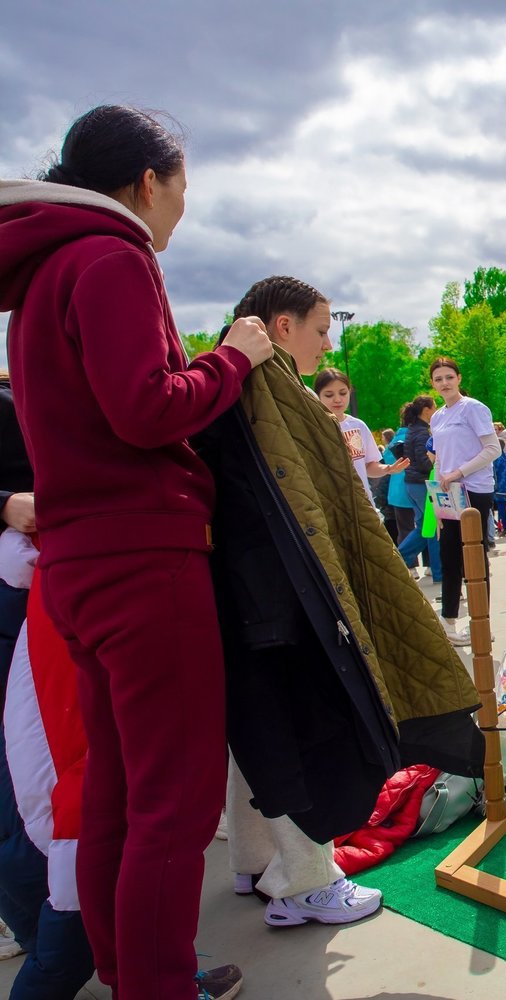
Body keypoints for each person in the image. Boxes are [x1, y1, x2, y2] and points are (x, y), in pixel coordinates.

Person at [0, 105, 272, 1000]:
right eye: (183, 185)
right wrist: (231, 360)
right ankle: (160, 984)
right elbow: (146, 408)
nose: (182, 206)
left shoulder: (43, 275)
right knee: (174, 801)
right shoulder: (113, 257)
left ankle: (131, 972)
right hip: (143, 562)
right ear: (148, 183)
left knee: (118, 796)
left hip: (81, 566)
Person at [221, 278, 385, 931]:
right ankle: (306, 880)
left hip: (246, 593)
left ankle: (254, 857)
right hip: (279, 597)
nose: (329, 341)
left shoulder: (226, 383)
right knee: (304, 730)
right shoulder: (268, 390)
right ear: (281, 327)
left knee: (256, 728)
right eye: (321, 328)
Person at [0, 372, 95, 997]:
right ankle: (62, 952)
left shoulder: (22, 385)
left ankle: (53, 939)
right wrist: (4, 504)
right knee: (42, 786)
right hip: (20, 608)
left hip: (44, 591)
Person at [428, 359, 502, 645]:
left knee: (474, 555)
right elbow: (441, 459)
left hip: (474, 489)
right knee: (448, 556)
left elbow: (492, 449)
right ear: (432, 384)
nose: (444, 383)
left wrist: (460, 472)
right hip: (448, 493)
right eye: (438, 379)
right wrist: (438, 499)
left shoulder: (473, 408)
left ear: (459, 378)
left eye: (449, 377)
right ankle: (449, 621)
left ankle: (481, 622)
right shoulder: (437, 417)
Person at [315, 368, 409, 508]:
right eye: (329, 395)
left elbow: (369, 466)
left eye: (343, 393)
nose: (337, 399)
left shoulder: (358, 426)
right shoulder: (314, 427)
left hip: (363, 504)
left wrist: (388, 469)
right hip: (330, 507)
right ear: (317, 396)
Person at [394, 396, 442, 583]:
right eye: (434, 407)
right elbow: (424, 462)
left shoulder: (413, 430)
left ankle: (397, 559)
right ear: (426, 410)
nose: (436, 411)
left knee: (425, 527)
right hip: (422, 484)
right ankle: (439, 573)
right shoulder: (423, 433)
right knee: (434, 528)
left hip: (412, 484)